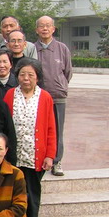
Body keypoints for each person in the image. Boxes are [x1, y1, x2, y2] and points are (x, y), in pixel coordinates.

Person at [4, 58, 56, 217]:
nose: (26, 78)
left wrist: (50, 155)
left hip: (35, 155)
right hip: (13, 155)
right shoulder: (10, 94)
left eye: (30, 75)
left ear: (38, 77)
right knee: (12, 192)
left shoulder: (45, 97)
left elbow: (51, 127)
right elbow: (4, 123)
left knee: (32, 193)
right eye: (22, 74)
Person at [35, 15, 72, 177]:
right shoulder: (32, 48)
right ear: (36, 30)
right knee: (38, 129)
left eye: (48, 25)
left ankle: (57, 161)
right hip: (37, 97)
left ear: (53, 29)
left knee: (57, 130)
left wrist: (60, 85)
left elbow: (68, 72)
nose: (45, 28)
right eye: (41, 26)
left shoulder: (62, 48)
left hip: (57, 96)